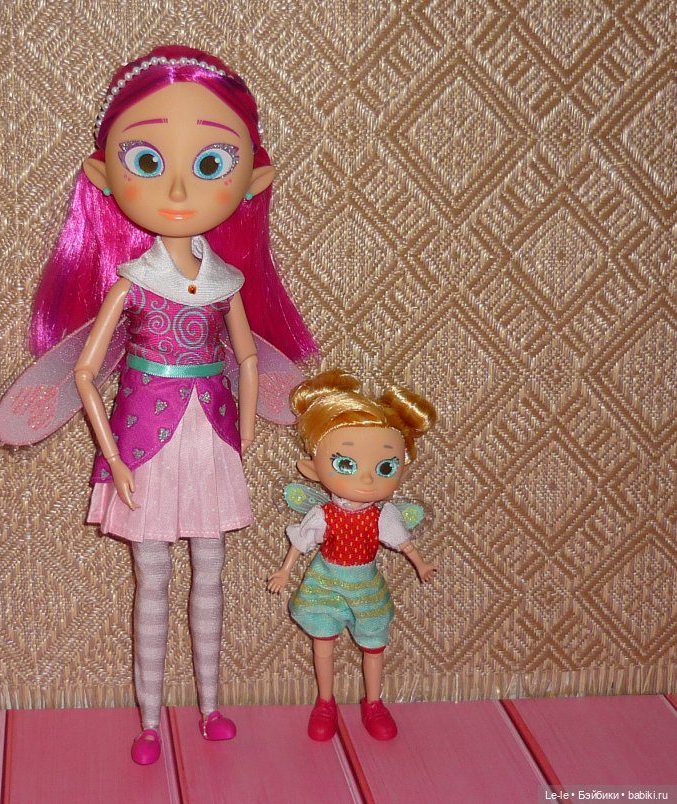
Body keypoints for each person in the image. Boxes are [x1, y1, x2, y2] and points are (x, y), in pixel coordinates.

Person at [28, 45, 317, 765]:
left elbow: (246, 359)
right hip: (144, 442)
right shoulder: (131, 283)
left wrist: (244, 433)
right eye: (148, 162)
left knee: (211, 572)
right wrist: (114, 458)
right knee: (152, 578)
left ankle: (212, 705)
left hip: (211, 438)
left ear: (253, 181)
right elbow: (86, 374)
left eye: (212, 163)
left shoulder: (226, 283)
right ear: (104, 176)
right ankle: (151, 720)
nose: (181, 189)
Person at [268, 369, 436, 741]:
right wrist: (285, 571)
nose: (366, 479)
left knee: (374, 644)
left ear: (402, 469)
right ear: (311, 469)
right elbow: (302, 542)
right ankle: (325, 702)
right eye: (346, 464)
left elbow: (403, 543)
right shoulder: (323, 514)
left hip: (365, 584)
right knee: (322, 641)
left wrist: (421, 563)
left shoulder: (383, 516)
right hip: (325, 582)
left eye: (385, 467)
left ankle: (373, 702)